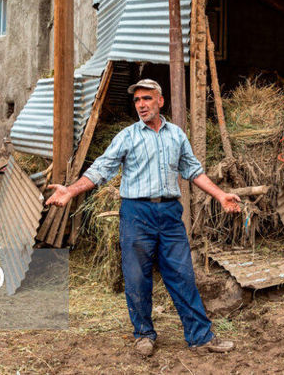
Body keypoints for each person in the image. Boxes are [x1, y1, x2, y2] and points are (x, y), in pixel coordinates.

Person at [46, 78, 241, 356]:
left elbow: (193, 170)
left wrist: (221, 195)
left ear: (160, 101)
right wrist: (71, 190)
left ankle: (200, 337)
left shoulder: (176, 135)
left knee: (183, 275)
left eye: (147, 98)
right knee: (137, 277)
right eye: (137, 100)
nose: (141, 105)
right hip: (136, 214)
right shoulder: (127, 136)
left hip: (170, 214)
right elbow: (101, 168)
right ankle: (144, 334)